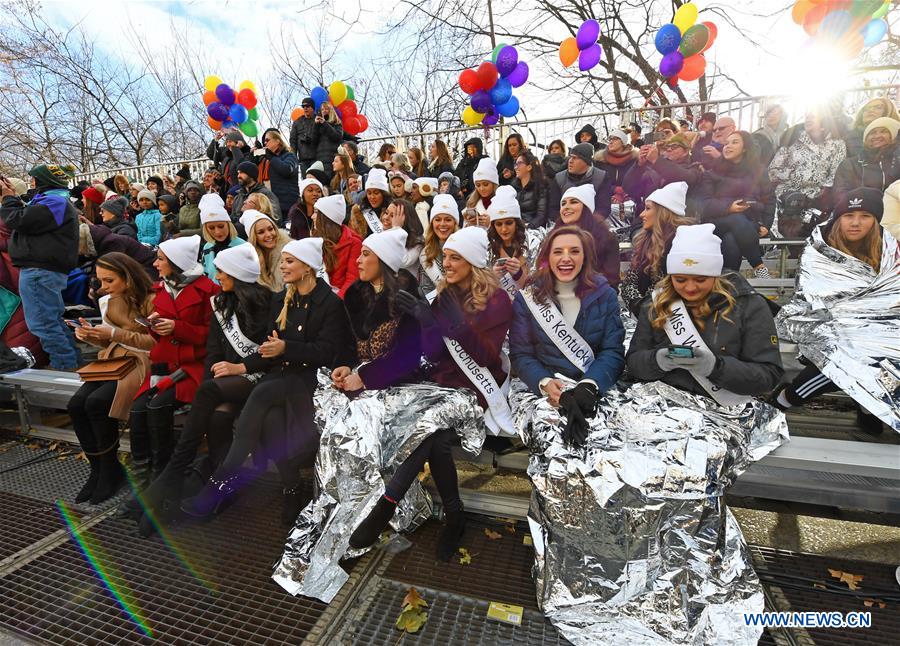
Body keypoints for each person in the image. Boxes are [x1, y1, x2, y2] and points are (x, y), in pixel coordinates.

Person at [349, 226, 512, 560]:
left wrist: (456, 325)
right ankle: (454, 514)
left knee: (433, 430)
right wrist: (426, 320)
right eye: (446, 256)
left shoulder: (497, 300)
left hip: (477, 385)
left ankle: (388, 503)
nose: (446, 263)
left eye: (455, 257)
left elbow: (485, 357)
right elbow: (434, 353)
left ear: (473, 262)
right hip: (443, 382)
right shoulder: (445, 295)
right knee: (434, 437)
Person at [181, 237, 351, 520]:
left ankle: (218, 485)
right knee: (271, 418)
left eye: (289, 261)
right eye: (282, 260)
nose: (282, 266)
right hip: (281, 376)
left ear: (307, 267)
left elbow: (329, 352)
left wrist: (287, 349)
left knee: (262, 394)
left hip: (312, 380)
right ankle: (291, 487)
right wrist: (242, 367)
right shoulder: (282, 298)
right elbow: (269, 349)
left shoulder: (329, 302)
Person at [133, 244, 273, 535]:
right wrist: (216, 370)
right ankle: (220, 487)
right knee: (218, 417)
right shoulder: (221, 303)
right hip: (225, 384)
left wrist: (237, 368)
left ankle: (170, 477)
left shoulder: (267, 303)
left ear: (236, 274)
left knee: (207, 394)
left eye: (222, 270)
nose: (217, 275)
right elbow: (212, 352)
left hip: (261, 378)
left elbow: (272, 353)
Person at [772, 188, 893, 436]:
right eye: (849, 216)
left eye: (865, 215)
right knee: (841, 362)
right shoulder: (819, 252)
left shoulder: (892, 255)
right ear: (839, 218)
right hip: (831, 333)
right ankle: (785, 399)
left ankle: (868, 403)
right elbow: (809, 300)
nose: (856, 223)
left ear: (876, 220)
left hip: (877, 335)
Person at [626, 223, 783, 401]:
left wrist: (715, 367)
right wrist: (657, 361)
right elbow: (633, 362)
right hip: (664, 410)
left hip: (728, 411)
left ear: (715, 274)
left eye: (701, 279)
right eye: (680, 279)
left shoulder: (749, 305)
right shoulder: (656, 304)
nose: (690, 287)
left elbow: (769, 376)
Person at [120, 236, 216, 508]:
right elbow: (162, 333)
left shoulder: (209, 291)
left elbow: (214, 337)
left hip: (194, 365)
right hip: (165, 364)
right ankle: (143, 482)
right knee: (138, 408)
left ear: (176, 263)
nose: (155, 263)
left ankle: (163, 479)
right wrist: (154, 325)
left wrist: (177, 329)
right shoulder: (163, 289)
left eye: (160, 258)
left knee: (158, 405)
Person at [509, 225, 625, 446]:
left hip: (593, 385)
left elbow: (613, 351)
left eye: (574, 251)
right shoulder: (528, 299)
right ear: (547, 257)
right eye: (558, 251)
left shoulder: (606, 295)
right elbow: (521, 354)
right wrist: (544, 382)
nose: (566, 258)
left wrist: (590, 384)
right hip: (545, 388)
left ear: (585, 256)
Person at [67, 253, 155, 503]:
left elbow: (153, 343)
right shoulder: (108, 301)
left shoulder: (151, 299)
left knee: (96, 403)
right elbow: (107, 339)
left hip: (139, 361)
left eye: (109, 281)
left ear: (127, 277)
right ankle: (100, 468)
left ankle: (108, 469)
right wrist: (88, 334)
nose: (103, 287)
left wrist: (115, 333)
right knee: (76, 405)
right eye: (101, 281)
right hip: (112, 360)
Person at [0, 165, 80, 369]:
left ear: (45, 181)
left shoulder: (55, 201)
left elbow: (18, 220)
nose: (32, 184)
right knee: (51, 321)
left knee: (43, 324)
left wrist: (8, 199)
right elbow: (30, 217)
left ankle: (65, 369)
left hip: (39, 271)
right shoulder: (54, 200)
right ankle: (73, 365)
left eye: (35, 180)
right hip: (42, 270)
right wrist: (14, 196)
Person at [333, 227, 423, 396]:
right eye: (360, 254)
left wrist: (365, 377)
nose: (358, 260)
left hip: (398, 385)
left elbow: (408, 355)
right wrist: (344, 364)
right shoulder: (354, 295)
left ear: (383, 260)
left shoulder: (407, 296)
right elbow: (346, 341)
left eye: (366, 254)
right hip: (356, 378)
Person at [692, 130, 775, 276]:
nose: (728, 146)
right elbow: (703, 204)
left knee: (731, 240)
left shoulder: (759, 172)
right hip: (716, 223)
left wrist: (766, 225)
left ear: (745, 147)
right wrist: (728, 208)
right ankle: (758, 265)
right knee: (735, 219)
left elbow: (769, 199)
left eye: (734, 142)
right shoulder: (711, 173)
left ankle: (729, 285)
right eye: (726, 143)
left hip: (748, 224)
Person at [620, 182, 693, 315]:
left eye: (648, 208)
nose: (642, 214)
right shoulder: (645, 241)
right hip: (648, 315)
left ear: (663, 212)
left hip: (675, 319)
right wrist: (642, 307)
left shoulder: (681, 245)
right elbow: (628, 285)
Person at [554, 185, 620, 290]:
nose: (566, 207)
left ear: (586, 207)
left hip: (595, 296)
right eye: (563, 203)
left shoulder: (607, 239)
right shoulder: (553, 238)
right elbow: (544, 268)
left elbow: (611, 280)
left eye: (574, 202)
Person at [622, 133, 702, 219]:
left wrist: (656, 160)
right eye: (667, 147)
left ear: (686, 151)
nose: (669, 149)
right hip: (646, 221)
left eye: (674, 146)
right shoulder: (653, 169)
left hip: (674, 223)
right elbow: (629, 188)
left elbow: (682, 176)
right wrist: (639, 165)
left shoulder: (694, 169)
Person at [833, 117, 900, 206]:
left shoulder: (897, 161)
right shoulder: (850, 164)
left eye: (884, 131)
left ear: (894, 135)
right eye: (872, 133)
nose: (877, 136)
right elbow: (841, 196)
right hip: (861, 213)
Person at [313, 194, 362, 298]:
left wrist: (335, 303)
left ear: (326, 218)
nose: (312, 216)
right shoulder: (315, 238)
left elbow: (352, 279)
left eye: (316, 213)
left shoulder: (354, 243)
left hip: (340, 300)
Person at [547, 143, 611, 221]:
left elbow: (603, 209)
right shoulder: (559, 178)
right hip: (565, 224)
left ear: (586, 161)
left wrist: (587, 223)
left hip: (592, 224)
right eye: (570, 157)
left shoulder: (601, 177)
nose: (570, 161)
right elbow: (553, 209)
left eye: (575, 158)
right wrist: (567, 222)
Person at [78, 221, 158, 280]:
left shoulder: (111, 243)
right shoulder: (101, 242)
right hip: (136, 270)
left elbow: (112, 269)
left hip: (146, 271)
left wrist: (94, 284)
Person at [488, 186, 530, 293]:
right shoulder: (488, 248)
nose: (504, 229)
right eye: (498, 224)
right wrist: (493, 277)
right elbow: (481, 289)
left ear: (517, 222)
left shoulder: (532, 243)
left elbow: (540, 282)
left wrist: (519, 274)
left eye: (509, 223)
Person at [199, 194, 246, 282]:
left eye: (221, 226)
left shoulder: (243, 246)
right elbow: (206, 275)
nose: (217, 232)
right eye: (211, 228)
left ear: (228, 224)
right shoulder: (207, 248)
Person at [240, 209, 290, 292]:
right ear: (254, 237)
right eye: (261, 232)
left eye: (270, 229)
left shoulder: (289, 252)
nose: (269, 235)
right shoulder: (250, 259)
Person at [596, 129, 639, 223]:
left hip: (631, 202)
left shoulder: (635, 160)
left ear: (623, 142)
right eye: (610, 139)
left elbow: (639, 181)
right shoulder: (600, 161)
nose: (611, 141)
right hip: (605, 203)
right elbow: (597, 183)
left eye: (615, 139)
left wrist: (624, 193)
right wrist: (614, 190)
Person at [419, 194, 459, 295]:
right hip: (437, 306)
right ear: (432, 223)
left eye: (448, 219)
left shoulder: (466, 247)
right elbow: (425, 289)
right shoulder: (426, 252)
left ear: (455, 223)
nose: (442, 224)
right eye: (437, 219)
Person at [230, 160, 282, 225]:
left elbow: (276, 218)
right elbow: (232, 218)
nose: (238, 176)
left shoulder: (265, 194)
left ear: (251, 175)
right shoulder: (238, 196)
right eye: (238, 173)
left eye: (242, 173)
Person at [261, 129, 299, 214]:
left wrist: (271, 158)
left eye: (267, 140)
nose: (265, 143)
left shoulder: (290, 155)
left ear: (277, 141)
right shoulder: (267, 160)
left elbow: (287, 169)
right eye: (264, 141)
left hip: (288, 205)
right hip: (273, 204)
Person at [384, 199, 425, 277]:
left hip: (406, 287)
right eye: (386, 213)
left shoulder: (417, 241)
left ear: (405, 220)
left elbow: (402, 262)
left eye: (393, 216)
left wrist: (396, 229)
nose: (386, 217)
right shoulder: (383, 235)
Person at [350, 168, 392, 239]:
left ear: (383, 194)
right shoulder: (358, 212)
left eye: (376, 193)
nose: (372, 197)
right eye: (369, 193)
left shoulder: (392, 211)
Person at [512, 150, 547, 229]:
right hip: (515, 229)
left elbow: (541, 215)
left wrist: (528, 226)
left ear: (529, 167)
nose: (515, 167)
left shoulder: (540, 187)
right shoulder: (513, 188)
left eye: (519, 163)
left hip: (533, 229)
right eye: (515, 164)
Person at [463, 158, 498, 228]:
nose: (481, 189)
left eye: (485, 184)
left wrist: (491, 224)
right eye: (478, 185)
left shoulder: (502, 202)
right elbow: (464, 232)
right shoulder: (472, 203)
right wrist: (469, 224)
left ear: (493, 184)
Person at [290, 97, 318, 176]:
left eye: (308, 106)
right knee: (306, 182)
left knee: (317, 181)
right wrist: (293, 157)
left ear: (312, 107)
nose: (305, 108)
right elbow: (293, 140)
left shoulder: (318, 119)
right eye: (303, 106)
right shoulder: (297, 122)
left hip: (317, 157)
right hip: (303, 159)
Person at [313, 102, 344, 174]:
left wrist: (325, 123)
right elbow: (314, 141)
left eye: (326, 108)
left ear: (331, 110)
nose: (324, 110)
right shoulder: (318, 125)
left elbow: (337, 137)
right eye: (322, 109)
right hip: (320, 158)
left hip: (332, 157)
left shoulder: (337, 123)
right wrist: (315, 125)